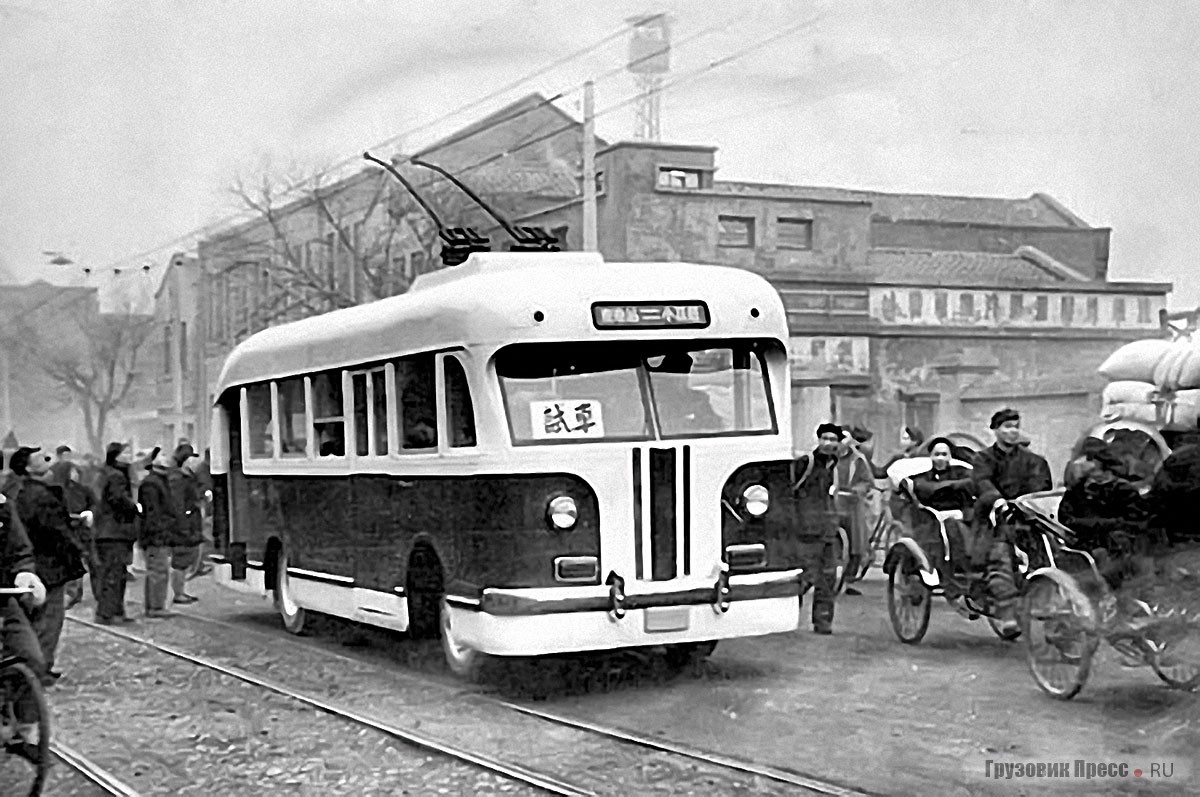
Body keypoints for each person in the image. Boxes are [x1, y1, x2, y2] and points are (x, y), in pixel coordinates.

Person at [971, 408, 1053, 634]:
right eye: (1007, 427)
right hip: (994, 520)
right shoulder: (983, 459)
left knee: (1052, 552)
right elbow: (983, 482)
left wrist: (1030, 506)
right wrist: (997, 501)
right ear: (995, 430)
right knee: (1000, 557)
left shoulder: (1033, 461)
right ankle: (1007, 611)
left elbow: (1041, 487)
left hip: (1027, 518)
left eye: (1016, 426)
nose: (1012, 432)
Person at [10, 446, 87, 684]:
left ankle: (36, 666)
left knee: (38, 619)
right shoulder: (40, 496)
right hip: (49, 565)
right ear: (29, 468)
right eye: (41, 460)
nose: (48, 462)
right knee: (49, 620)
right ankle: (39, 670)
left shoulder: (24, 492)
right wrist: (78, 549)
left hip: (37, 563)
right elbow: (56, 532)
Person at [0, 451, 50, 757]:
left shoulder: (2, 508)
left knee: (32, 657)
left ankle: (18, 725)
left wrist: (25, 574)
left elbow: (20, 550)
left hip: (1, 599)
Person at [791, 423, 843, 635]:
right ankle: (790, 617)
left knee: (828, 578)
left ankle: (823, 622)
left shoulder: (833, 466)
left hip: (828, 529)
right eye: (825, 438)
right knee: (806, 577)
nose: (828, 443)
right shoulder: (807, 463)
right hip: (807, 530)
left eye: (833, 439)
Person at [93, 442, 140, 624]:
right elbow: (118, 499)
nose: (129, 456)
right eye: (126, 453)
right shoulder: (117, 476)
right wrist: (135, 507)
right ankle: (107, 612)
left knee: (113, 573)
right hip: (115, 532)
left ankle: (114, 610)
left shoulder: (105, 473)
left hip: (107, 531)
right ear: (117, 456)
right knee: (114, 573)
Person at [51, 460, 98, 609]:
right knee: (74, 563)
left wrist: (89, 513)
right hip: (69, 531)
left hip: (84, 530)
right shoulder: (57, 491)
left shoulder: (84, 490)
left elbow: (95, 504)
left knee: (93, 562)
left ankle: (98, 593)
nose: (75, 475)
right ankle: (72, 594)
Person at [138, 448, 179, 618]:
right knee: (158, 571)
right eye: (162, 455)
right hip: (156, 536)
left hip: (159, 534)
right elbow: (153, 512)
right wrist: (160, 531)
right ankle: (155, 607)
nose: (166, 458)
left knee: (159, 570)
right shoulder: (152, 483)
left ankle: (155, 605)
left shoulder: (160, 480)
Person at [167, 443, 202, 604]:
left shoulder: (186, 477)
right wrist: (183, 526)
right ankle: (178, 593)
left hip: (188, 522)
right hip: (183, 525)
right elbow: (178, 505)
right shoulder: (178, 479)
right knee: (180, 559)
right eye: (192, 458)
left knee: (185, 559)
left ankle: (181, 591)